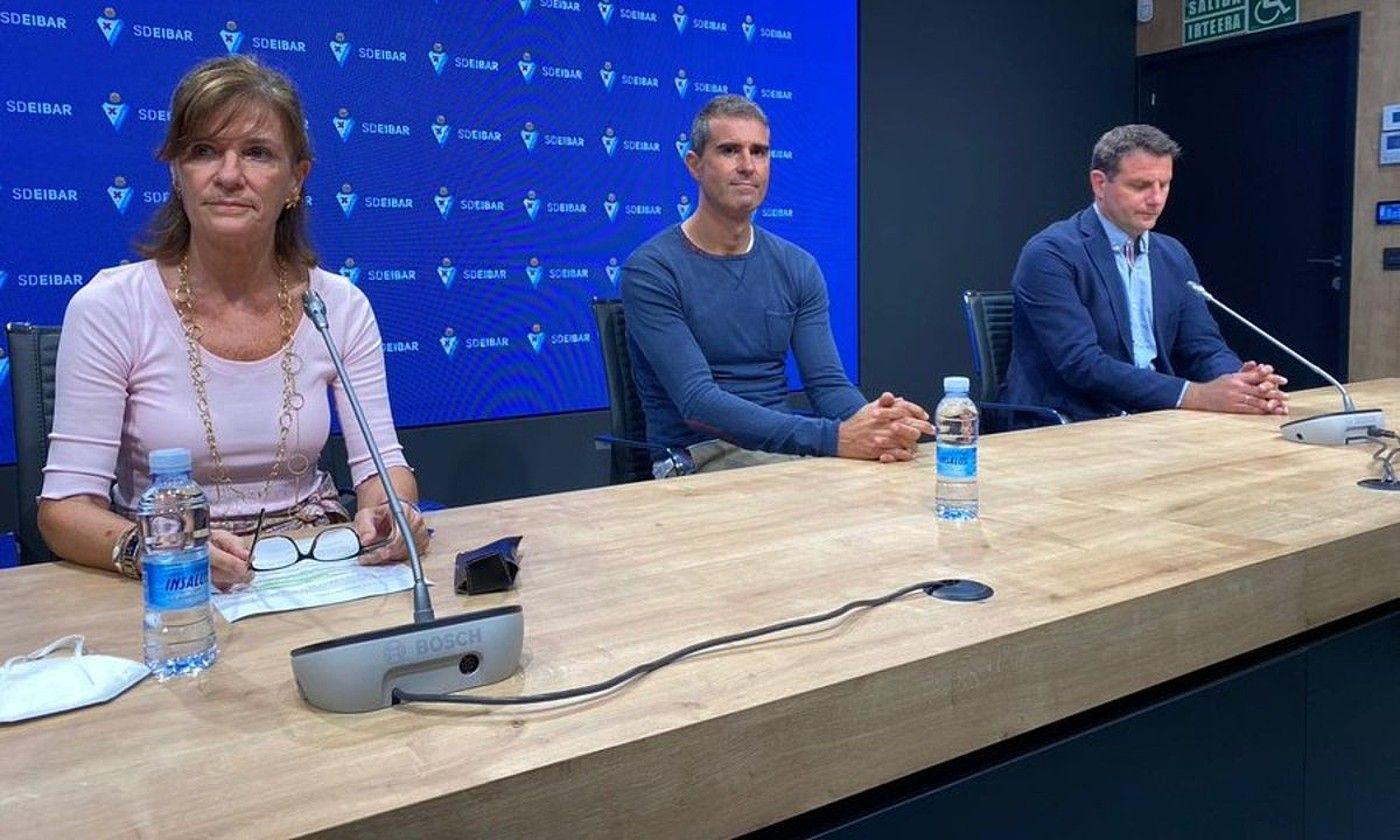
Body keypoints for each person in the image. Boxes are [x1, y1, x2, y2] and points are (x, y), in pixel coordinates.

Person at [38, 55, 428, 590]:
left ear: (296, 178)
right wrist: (159, 547)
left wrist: (391, 513)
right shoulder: (111, 307)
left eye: (257, 153)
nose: (228, 175)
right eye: (203, 151)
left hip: (319, 567)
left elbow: (383, 470)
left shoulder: (338, 305)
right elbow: (64, 511)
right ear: (177, 171)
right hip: (169, 582)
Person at [621, 95, 931, 476]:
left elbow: (828, 385)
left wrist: (878, 423)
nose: (748, 166)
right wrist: (833, 439)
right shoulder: (652, 270)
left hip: (782, 453)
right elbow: (697, 402)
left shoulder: (797, 266)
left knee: (895, 481)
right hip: (697, 459)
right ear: (695, 165)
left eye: (760, 152)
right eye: (730, 150)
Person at [1005, 123, 1289, 422]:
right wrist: (1197, 395)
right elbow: (1082, 364)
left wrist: (1242, 384)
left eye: (1164, 185)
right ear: (1100, 184)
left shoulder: (1172, 255)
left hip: (1155, 419)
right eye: (1140, 186)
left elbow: (1203, 347)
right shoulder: (1050, 254)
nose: (1156, 199)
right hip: (1073, 421)